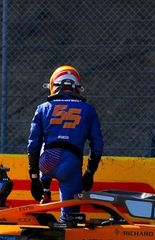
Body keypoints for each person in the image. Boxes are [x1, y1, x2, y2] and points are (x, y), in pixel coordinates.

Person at [27, 65, 104, 222]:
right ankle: (66, 225)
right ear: (77, 87)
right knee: (70, 217)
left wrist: (34, 178)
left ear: (53, 85)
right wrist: (90, 173)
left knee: (46, 148)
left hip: (46, 162)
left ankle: (45, 188)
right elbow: (97, 144)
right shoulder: (88, 109)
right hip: (70, 165)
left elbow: (33, 145)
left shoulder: (42, 108)